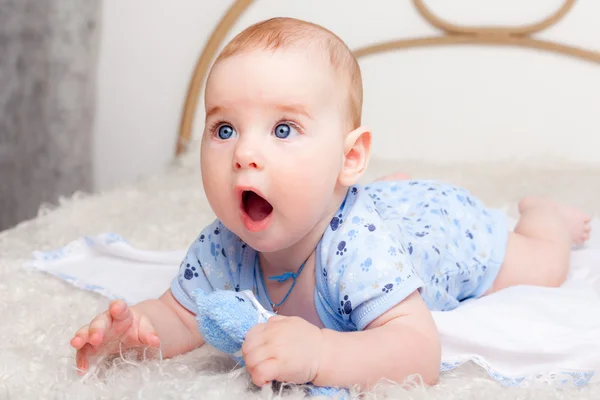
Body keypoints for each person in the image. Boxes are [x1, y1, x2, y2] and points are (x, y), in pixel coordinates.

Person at [70, 17, 592, 391]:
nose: (245, 153)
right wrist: (134, 333)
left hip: (448, 228)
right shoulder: (220, 246)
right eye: (224, 128)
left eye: (283, 129)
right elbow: (180, 316)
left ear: (349, 157)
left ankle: (543, 215)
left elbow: (419, 352)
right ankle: (383, 189)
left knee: (543, 264)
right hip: (368, 202)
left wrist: (322, 354)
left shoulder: (358, 252)